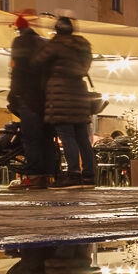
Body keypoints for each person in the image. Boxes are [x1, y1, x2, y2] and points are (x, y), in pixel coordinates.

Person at [36, 16, 95, 189]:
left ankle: (74, 174)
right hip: (79, 92)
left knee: (67, 135)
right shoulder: (83, 45)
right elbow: (86, 66)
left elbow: (38, 63)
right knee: (83, 137)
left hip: (60, 94)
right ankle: (89, 175)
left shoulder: (55, 45)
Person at [6, 13, 56, 190]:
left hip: (29, 97)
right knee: (47, 138)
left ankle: (34, 177)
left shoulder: (20, 43)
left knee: (31, 138)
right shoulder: (44, 44)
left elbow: (17, 70)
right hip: (47, 99)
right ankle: (48, 176)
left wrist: (13, 94)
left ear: (19, 29)